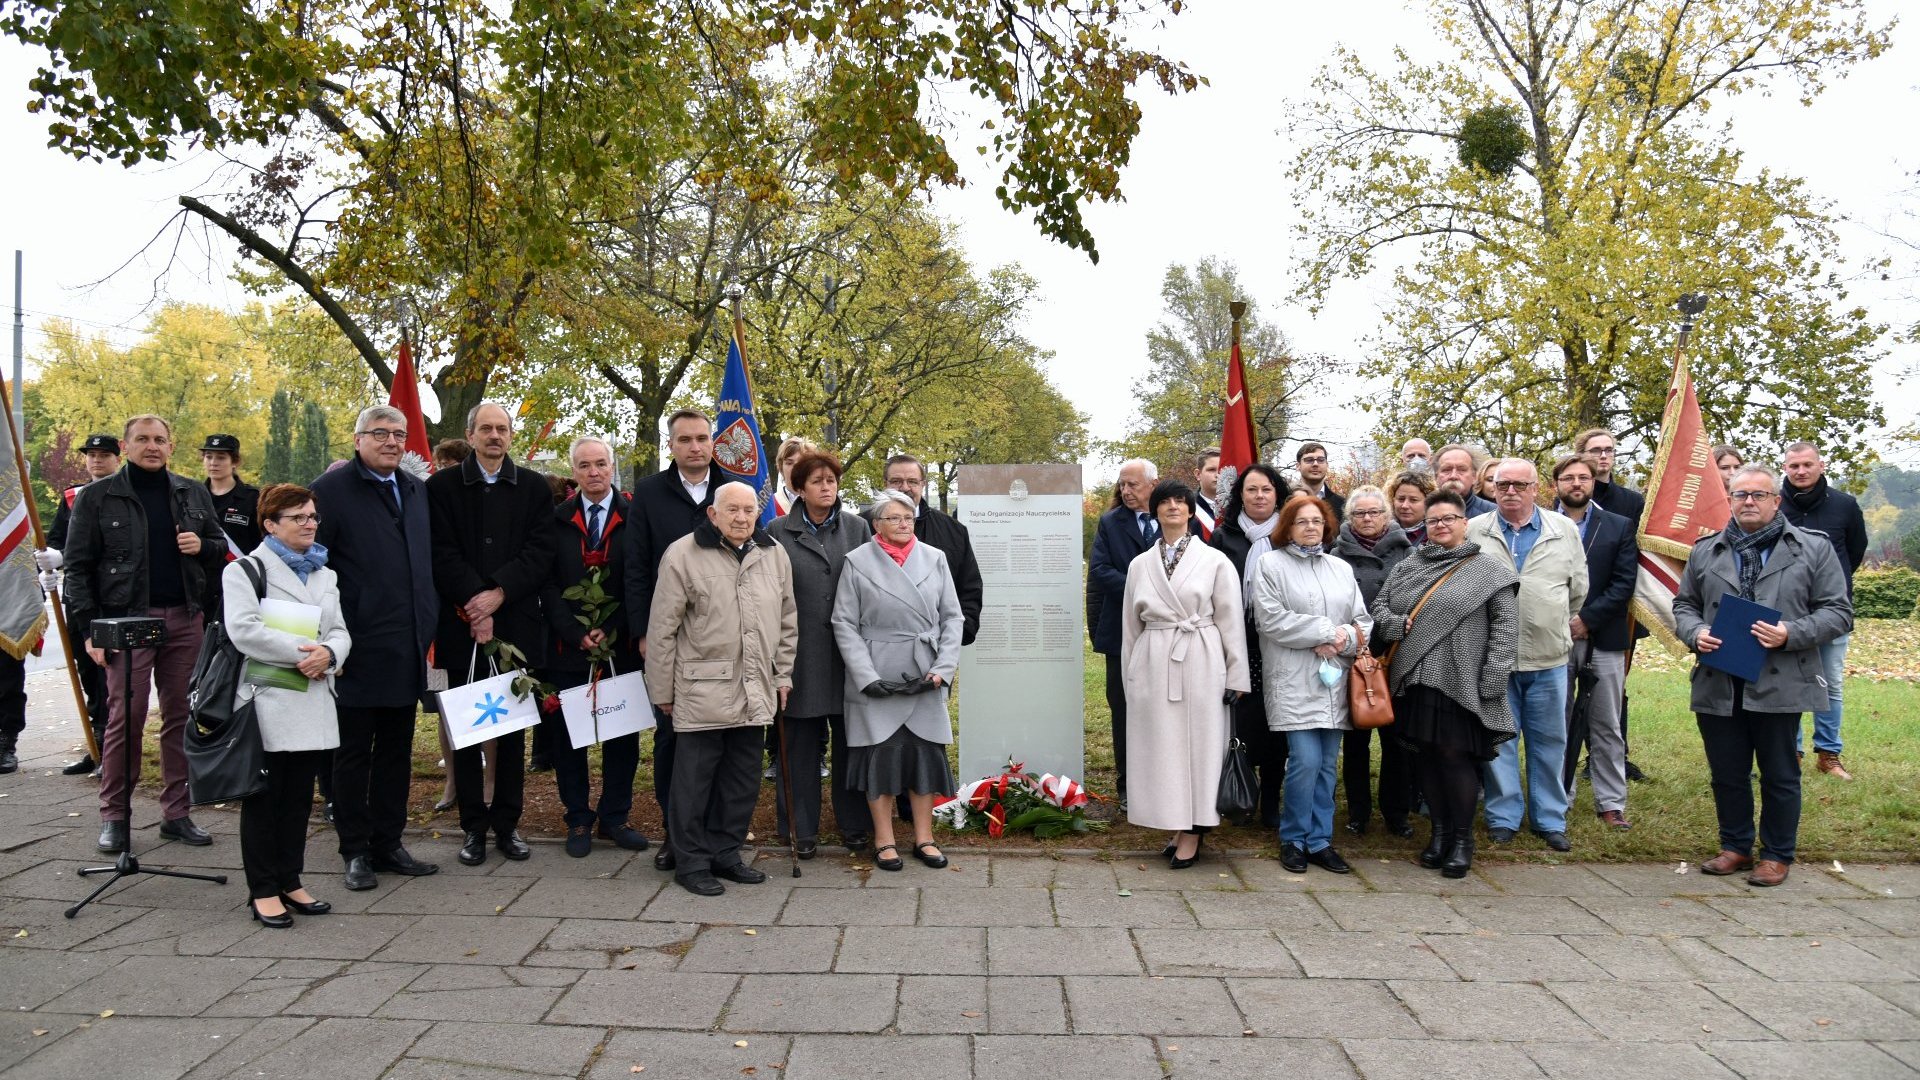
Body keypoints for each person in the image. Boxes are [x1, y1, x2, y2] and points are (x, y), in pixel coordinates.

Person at [1673, 465, 1852, 887]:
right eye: (1740, 494)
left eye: (1758, 494)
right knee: (1727, 771)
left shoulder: (1812, 548)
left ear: (1777, 500)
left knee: (1779, 772)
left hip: (1781, 677)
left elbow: (1838, 611)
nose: (1748, 501)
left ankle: (1776, 855)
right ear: (1729, 500)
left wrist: (1791, 632)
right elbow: (1684, 606)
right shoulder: (1706, 549)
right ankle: (1734, 846)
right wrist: (1696, 633)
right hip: (1719, 678)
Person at [62, 415, 228, 854]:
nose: (152, 446)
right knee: (125, 719)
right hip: (125, 624)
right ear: (126, 444)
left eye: (160, 440)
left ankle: (177, 813)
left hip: (185, 618)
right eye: (143, 439)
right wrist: (89, 631)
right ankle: (115, 816)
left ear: (171, 446)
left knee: (181, 718)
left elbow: (218, 549)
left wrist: (202, 545)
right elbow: (76, 569)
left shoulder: (191, 491)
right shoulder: (97, 496)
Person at [311, 405, 440, 890]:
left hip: (406, 644)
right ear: (358, 438)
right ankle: (355, 849)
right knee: (351, 754)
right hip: (354, 647)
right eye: (380, 434)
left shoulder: (414, 490)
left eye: (399, 435)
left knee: (395, 752)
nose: (391, 442)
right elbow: (315, 569)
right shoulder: (330, 493)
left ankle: (389, 842)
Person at [646, 482, 796, 895]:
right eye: (732, 510)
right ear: (713, 514)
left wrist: (782, 674)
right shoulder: (683, 554)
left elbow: (787, 621)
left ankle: (726, 853)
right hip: (700, 690)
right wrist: (662, 690)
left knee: (741, 780)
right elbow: (662, 629)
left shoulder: (773, 554)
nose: (742, 518)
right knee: (694, 783)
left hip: (756, 687)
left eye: (749, 510)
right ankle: (691, 861)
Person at [427, 401, 557, 867]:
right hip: (461, 625)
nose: (495, 436)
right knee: (466, 726)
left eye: (502, 429)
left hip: (514, 623)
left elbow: (541, 551)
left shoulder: (534, 489)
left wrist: (499, 594)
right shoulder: (441, 487)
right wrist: (474, 603)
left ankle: (507, 823)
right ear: (471, 433)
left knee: (511, 728)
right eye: (487, 429)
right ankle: (473, 827)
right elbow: (439, 551)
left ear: (511, 435)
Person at [1372, 489, 1519, 878]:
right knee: (1426, 757)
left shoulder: (1490, 570)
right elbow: (1381, 607)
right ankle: (1438, 835)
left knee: (1455, 758)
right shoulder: (1408, 565)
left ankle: (1462, 840)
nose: (1441, 525)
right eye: (1434, 520)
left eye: (1449, 519)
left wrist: (1494, 675)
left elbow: (1506, 627)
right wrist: (1391, 624)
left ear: (1464, 523)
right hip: (1415, 676)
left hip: (1462, 679)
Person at [222, 484, 350, 927]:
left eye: (313, 516)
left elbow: (340, 630)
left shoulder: (324, 573)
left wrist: (330, 655)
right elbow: (244, 630)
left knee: (298, 798)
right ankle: (262, 890)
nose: (310, 524)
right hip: (269, 698)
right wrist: (307, 652)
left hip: (314, 697)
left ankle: (290, 880)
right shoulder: (245, 570)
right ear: (271, 524)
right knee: (266, 797)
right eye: (298, 517)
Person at [832, 489, 962, 873]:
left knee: (923, 756)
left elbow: (952, 618)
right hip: (878, 672)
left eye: (909, 518)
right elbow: (843, 622)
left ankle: (925, 837)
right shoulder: (856, 562)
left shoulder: (935, 558)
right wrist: (865, 677)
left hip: (925, 673)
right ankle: (884, 839)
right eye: (895, 518)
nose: (905, 524)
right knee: (881, 758)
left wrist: (943, 668)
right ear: (877, 524)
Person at [1122, 480, 1249, 868]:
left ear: (1192, 511)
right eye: (1165, 502)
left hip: (1202, 657)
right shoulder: (1140, 564)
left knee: (1201, 746)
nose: (1173, 507)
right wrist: (1132, 676)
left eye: (1181, 501)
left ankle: (1195, 830)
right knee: (1164, 748)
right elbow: (1131, 626)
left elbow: (1231, 619)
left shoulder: (1215, 561)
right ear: (1155, 511)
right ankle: (1175, 823)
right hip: (1154, 659)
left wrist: (1236, 675)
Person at [536, 437, 650, 858]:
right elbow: (546, 582)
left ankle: (616, 817)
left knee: (622, 736)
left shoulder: (634, 515)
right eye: (584, 466)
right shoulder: (558, 519)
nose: (594, 472)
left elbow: (640, 578)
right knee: (570, 739)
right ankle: (579, 818)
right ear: (574, 471)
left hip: (619, 647)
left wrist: (614, 627)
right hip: (569, 647)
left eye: (601, 463)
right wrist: (572, 629)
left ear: (612, 466)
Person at [625, 407, 728, 872]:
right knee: (672, 737)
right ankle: (675, 834)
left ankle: (715, 833)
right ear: (671, 445)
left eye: (702, 438)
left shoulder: (734, 492)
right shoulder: (648, 493)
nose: (694, 446)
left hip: (723, 637)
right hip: (670, 638)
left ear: (713, 442)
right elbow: (635, 566)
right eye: (684, 439)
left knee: (721, 738)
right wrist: (644, 633)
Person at [1466, 459, 1587, 851]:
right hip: (1493, 658)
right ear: (1493, 489)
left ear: (1537, 489)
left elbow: (1577, 590)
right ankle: (1503, 817)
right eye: (1503, 485)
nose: (1511, 492)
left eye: (1520, 485)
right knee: (1499, 741)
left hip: (1548, 656)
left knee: (1550, 740)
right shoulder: (1474, 531)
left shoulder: (1563, 529)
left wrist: (1548, 617)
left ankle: (1550, 818)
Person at [1255, 494, 1371, 874]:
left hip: (1334, 679)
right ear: (1287, 526)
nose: (1310, 527)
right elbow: (1270, 620)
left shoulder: (1339, 567)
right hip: (1292, 678)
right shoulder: (1271, 564)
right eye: (1301, 521)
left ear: (1327, 527)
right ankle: (1293, 838)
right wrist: (1323, 630)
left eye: (1317, 522)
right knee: (1304, 761)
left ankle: (1320, 841)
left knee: (1326, 764)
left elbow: (1362, 620)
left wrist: (1343, 640)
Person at [770, 450, 873, 856]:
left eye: (831, 480)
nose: (826, 487)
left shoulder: (858, 528)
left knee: (852, 746)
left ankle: (854, 826)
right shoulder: (778, 530)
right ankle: (801, 830)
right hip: (800, 657)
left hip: (850, 656)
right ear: (799, 488)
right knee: (799, 749)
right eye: (817, 481)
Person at [1551, 454, 1638, 829]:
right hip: (1551, 638)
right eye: (1568, 477)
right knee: (1557, 721)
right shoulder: (1541, 524)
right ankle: (1558, 798)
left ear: (1593, 482)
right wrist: (1562, 623)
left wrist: (1586, 620)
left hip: (1603, 637)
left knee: (1606, 723)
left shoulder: (1618, 526)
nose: (1576, 484)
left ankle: (1611, 802)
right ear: (1556, 484)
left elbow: (1624, 583)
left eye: (1583, 477)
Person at [1778, 441, 1867, 781]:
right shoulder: (1774, 504)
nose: (1801, 471)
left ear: (1821, 465)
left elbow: (1855, 552)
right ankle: (1792, 753)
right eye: (1794, 466)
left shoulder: (1845, 505)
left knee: (1829, 683)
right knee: (1788, 682)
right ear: (1785, 468)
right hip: (1786, 611)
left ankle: (1829, 753)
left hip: (1832, 611)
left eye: (1807, 465)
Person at [1208, 464, 1291, 827]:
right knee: (1241, 724)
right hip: (1237, 645)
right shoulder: (1223, 537)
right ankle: (1241, 793)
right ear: (1240, 494)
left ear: (1277, 495)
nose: (1259, 496)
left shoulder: (1289, 535)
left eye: (1267, 490)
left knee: (1277, 726)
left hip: (1281, 645)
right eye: (1252, 489)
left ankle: (1272, 800)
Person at [1331, 486, 1416, 838]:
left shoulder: (1409, 553)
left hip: (1397, 653)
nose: (1367, 519)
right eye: (1360, 513)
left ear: (1387, 516)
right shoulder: (1335, 555)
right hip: (1355, 655)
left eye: (1374, 512)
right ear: (1350, 519)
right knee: (1356, 741)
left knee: (1397, 739)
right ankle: (1359, 812)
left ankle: (1396, 812)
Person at [40, 432, 121, 776]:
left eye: (104, 454)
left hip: (112, 597)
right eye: (91, 454)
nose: (96, 460)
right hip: (77, 597)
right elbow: (57, 539)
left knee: (111, 678)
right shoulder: (72, 496)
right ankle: (95, 744)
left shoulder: (124, 493)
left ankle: (112, 749)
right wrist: (51, 560)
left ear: (118, 458)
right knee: (87, 673)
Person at [1087, 458, 1159, 803]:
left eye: (1133, 484)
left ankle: (1161, 781)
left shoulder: (1174, 517)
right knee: (1125, 708)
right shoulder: (1111, 523)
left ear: (1153, 485)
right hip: (1122, 631)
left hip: (1169, 633)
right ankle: (1128, 785)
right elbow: (1100, 569)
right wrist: (1145, 591)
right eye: (1122, 484)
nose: (1126, 491)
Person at [878, 454, 983, 647]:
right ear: (885, 483)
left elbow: (969, 588)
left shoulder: (953, 531)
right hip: (875, 650)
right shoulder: (860, 527)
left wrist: (956, 637)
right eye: (896, 481)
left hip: (936, 649)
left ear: (923, 484)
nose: (905, 488)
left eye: (912, 481)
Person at [201, 433, 262, 556]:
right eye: (208, 457)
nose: (213, 463)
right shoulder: (193, 496)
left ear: (235, 462)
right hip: (201, 573)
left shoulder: (254, 498)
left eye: (221, 457)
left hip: (241, 572)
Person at [1572, 427, 1646, 524]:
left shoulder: (1633, 501)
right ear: (1580, 455)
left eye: (1609, 450)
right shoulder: (1569, 498)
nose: (1603, 456)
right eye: (1596, 450)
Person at [1432, 444, 1496, 517]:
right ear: (1436, 477)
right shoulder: (1423, 513)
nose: (1453, 476)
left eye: (1461, 470)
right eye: (1446, 470)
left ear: (1474, 477)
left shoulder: (1493, 515)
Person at [1294, 442, 1346, 524]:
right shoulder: (1284, 500)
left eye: (1321, 460)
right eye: (1309, 460)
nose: (1315, 464)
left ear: (1327, 465)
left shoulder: (1342, 505)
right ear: (1298, 466)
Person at [1388, 470, 1434, 546]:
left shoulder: (1437, 534)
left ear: (1428, 502)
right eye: (1401, 499)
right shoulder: (1381, 532)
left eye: (1413, 500)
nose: (1405, 506)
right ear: (1393, 500)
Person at [771, 436, 813, 518]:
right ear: (781, 467)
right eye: (789, 463)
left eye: (801, 462)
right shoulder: (770, 506)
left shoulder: (822, 504)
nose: (795, 468)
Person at [1193, 448, 1221, 540]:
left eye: (1221, 469)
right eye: (1211, 470)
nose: (1217, 475)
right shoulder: (1188, 508)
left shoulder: (1238, 507)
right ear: (1198, 474)